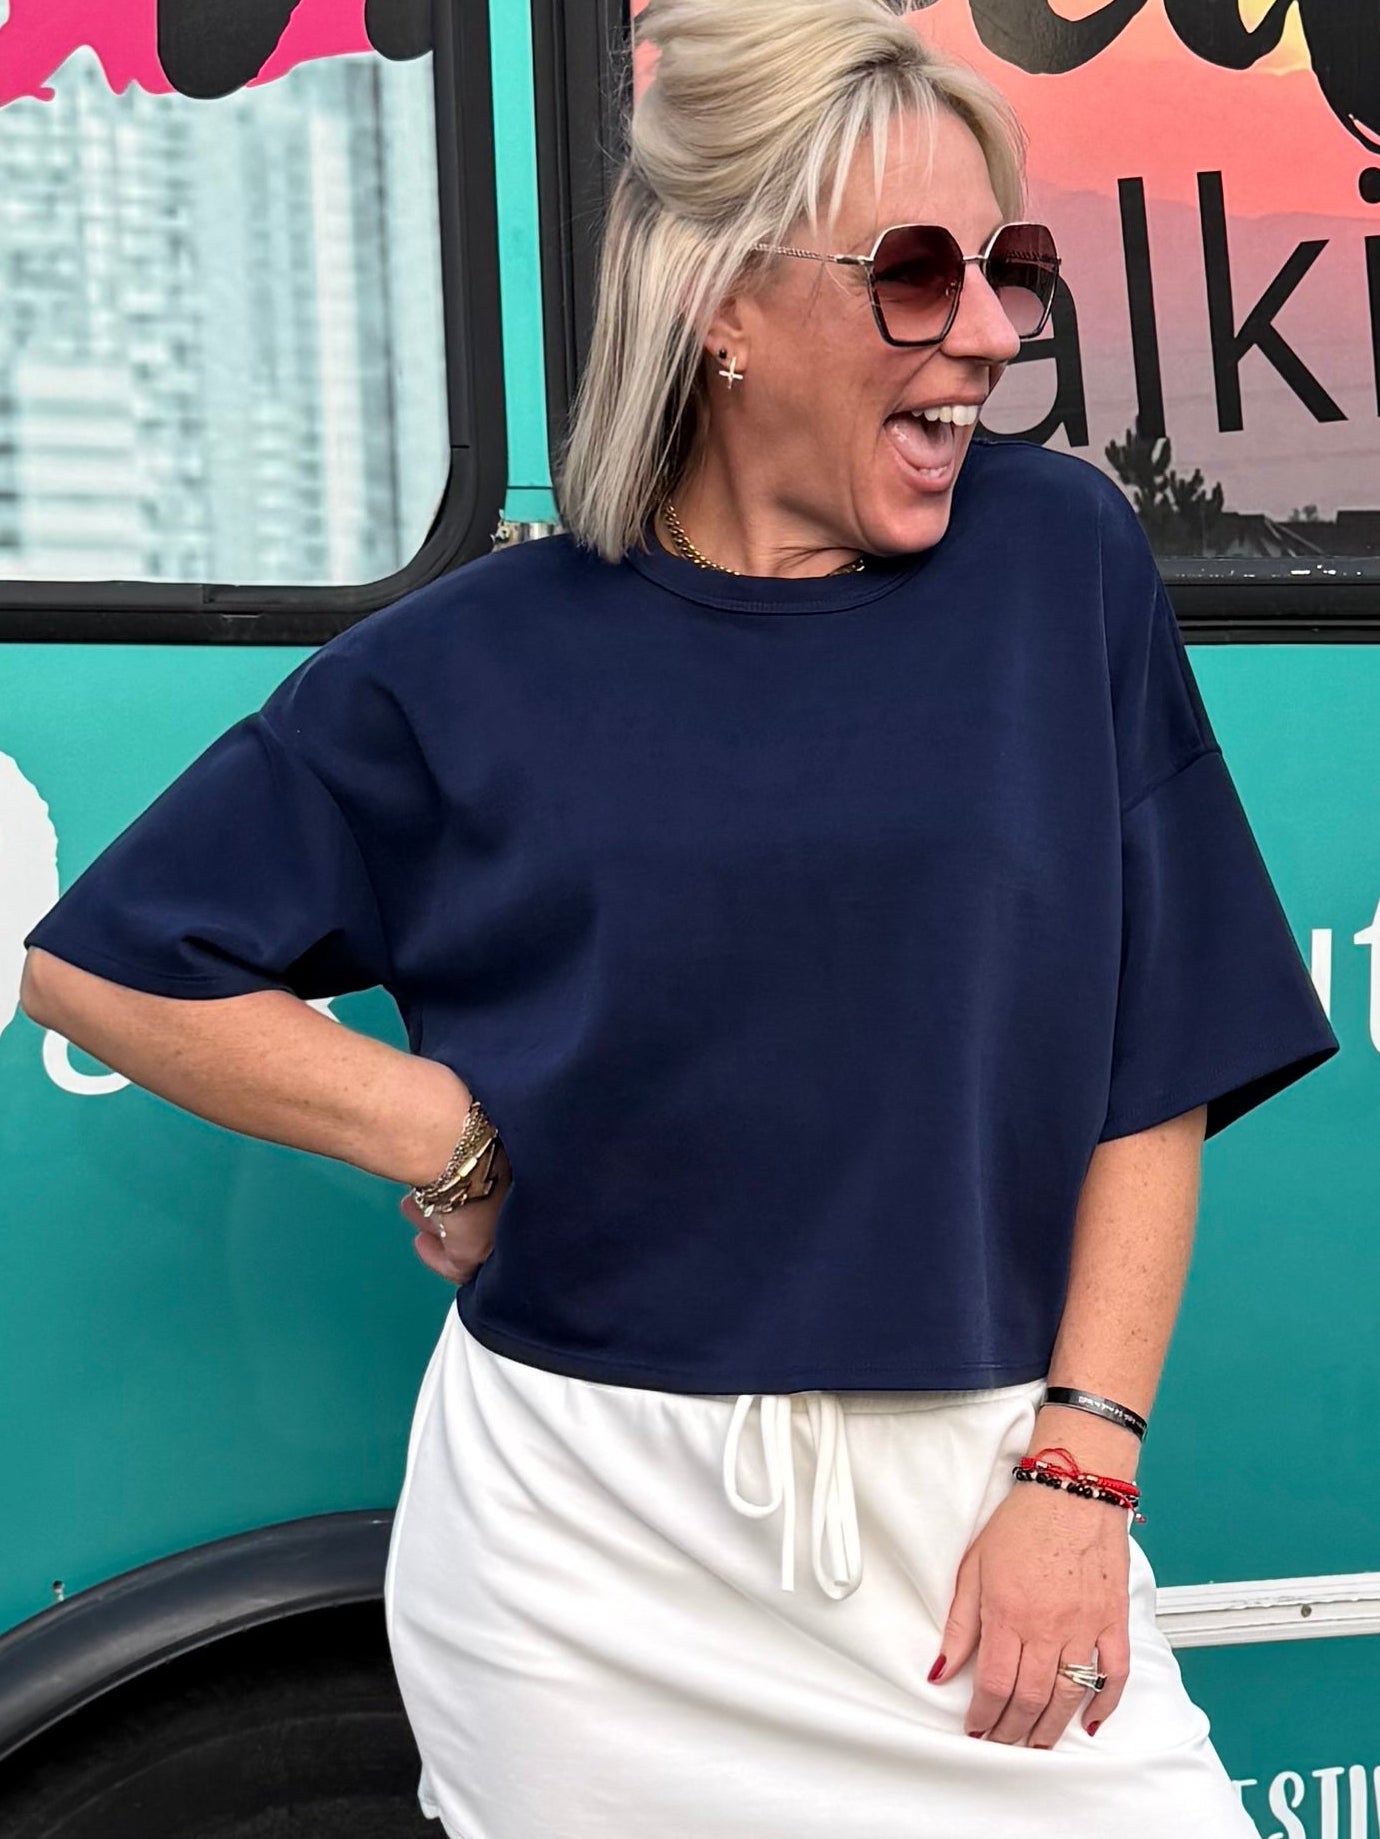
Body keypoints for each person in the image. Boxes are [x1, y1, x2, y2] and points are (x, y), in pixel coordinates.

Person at [21, 0, 1339, 1832]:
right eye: (918, 275)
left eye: (1010, 271)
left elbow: (1155, 1061)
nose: (988, 331)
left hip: (974, 1518)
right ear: (723, 302)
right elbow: (102, 965)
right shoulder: (474, 664)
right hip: (581, 1566)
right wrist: (447, 1134)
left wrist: (1081, 1472)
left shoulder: (1060, 566)